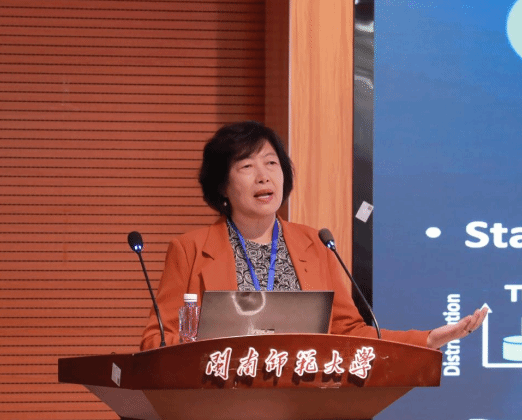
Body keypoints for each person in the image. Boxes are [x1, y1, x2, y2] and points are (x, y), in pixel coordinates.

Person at [140, 121, 487, 350]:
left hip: (303, 402)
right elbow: (157, 338)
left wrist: (428, 339)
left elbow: (349, 332)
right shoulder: (190, 249)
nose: (263, 176)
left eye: (271, 163)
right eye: (246, 166)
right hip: (219, 405)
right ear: (222, 185)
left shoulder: (316, 244)